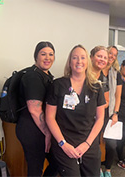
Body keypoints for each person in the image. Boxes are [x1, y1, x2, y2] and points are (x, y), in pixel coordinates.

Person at [44, 45, 107, 176]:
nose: (79, 61)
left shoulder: (96, 87)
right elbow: (50, 117)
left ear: (87, 62)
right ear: (70, 62)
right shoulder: (58, 85)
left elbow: (100, 118)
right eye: (75, 58)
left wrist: (87, 144)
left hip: (89, 144)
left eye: (83, 58)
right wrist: (63, 144)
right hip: (65, 143)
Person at [16, 41, 57, 177]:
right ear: (36, 56)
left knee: (58, 162)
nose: (47, 58)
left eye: (51, 54)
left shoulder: (47, 76)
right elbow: (34, 109)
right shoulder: (33, 76)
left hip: (40, 129)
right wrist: (47, 133)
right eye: (43, 54)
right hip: (32, 129)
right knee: (35, 169)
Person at [94, 46, 120, 176]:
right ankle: (97, 169)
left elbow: (117, 96)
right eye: (110, 53)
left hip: (109, 113)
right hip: (94, 113)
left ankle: (108, 170)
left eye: (114, 55)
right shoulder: (95, 71)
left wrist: (115, 113)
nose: (111, 56)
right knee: (95, 144)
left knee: (111, 144)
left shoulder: (115, 73)